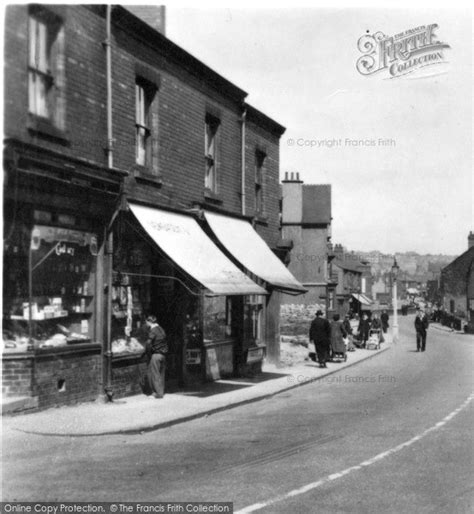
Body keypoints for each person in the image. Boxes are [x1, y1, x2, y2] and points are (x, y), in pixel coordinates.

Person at [144, 315, 168, 398]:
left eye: (146, 322)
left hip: (156, 355)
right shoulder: (161, 329)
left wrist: (148, 353)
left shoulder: (153, 331)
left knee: (155, 374)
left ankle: (157, 393)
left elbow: (148, 343)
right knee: (161, 374)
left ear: (149, 322)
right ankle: (161, 391)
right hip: (163, 354)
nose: (146, 324)